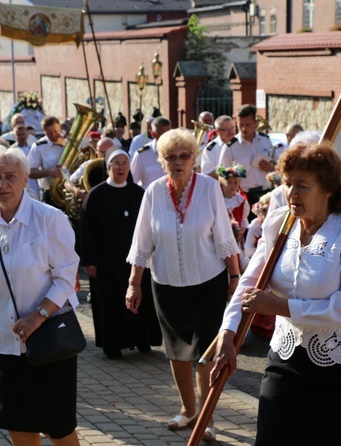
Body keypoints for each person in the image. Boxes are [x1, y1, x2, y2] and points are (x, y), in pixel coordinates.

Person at [212, 140, 341, 445]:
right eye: (288, 184)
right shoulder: (278, 223)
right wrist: (227, 332)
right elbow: (250, 284)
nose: (291, 194)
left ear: (328, 189)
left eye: (302, 186)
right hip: (285, 362)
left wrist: (280, 307)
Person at [0, 145, 81, 446]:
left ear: (26, 179)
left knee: (57, 428)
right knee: (18, 425)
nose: (3, 184)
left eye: (10, 176)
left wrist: (38, 316)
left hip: (49, 342)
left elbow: (66, 279)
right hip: (3, 343)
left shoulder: (50, 219)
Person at [126, 128, 241, 442]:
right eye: (170, 157)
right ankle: (188, 410)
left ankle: (206, 416)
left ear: (194, 158)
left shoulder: (209, 189)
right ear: (162, 162)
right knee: (176, 353)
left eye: (184, 156)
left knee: (204, 355)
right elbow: (142, 241)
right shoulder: (152, 192)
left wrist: (234, 279)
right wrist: (134, 283)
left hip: (208, 285)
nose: (178, 162)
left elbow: (224, 238)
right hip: (167, 284)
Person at [80, 149, 161, 359]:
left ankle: (143, 340)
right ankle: (113, 345)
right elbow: (86, 231)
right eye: (116, 163)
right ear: (108, 168)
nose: (121, 167)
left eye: (125, 163)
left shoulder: (139, 194)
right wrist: (89, 261)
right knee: (111, 303)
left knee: (141, 300)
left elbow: (150, 226)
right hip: (106, 260)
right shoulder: (96, 195)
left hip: (136, 260)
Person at [218, 104, 275, 207]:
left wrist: (271, 167)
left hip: (266, 194)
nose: (244, 128)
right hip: (243, 197)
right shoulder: (230, 147)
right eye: (240, 125)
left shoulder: (265, 141)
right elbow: (222, 174)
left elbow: (277, 166)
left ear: (255, 122)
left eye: (248, 124)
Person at [130, 117, 171, 189]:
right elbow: (133, 182)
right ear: (153, 134)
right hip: (150, 198)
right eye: (163, 134)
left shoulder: (177, 153)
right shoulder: (142, 155)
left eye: (169, 134)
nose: (168, 138)